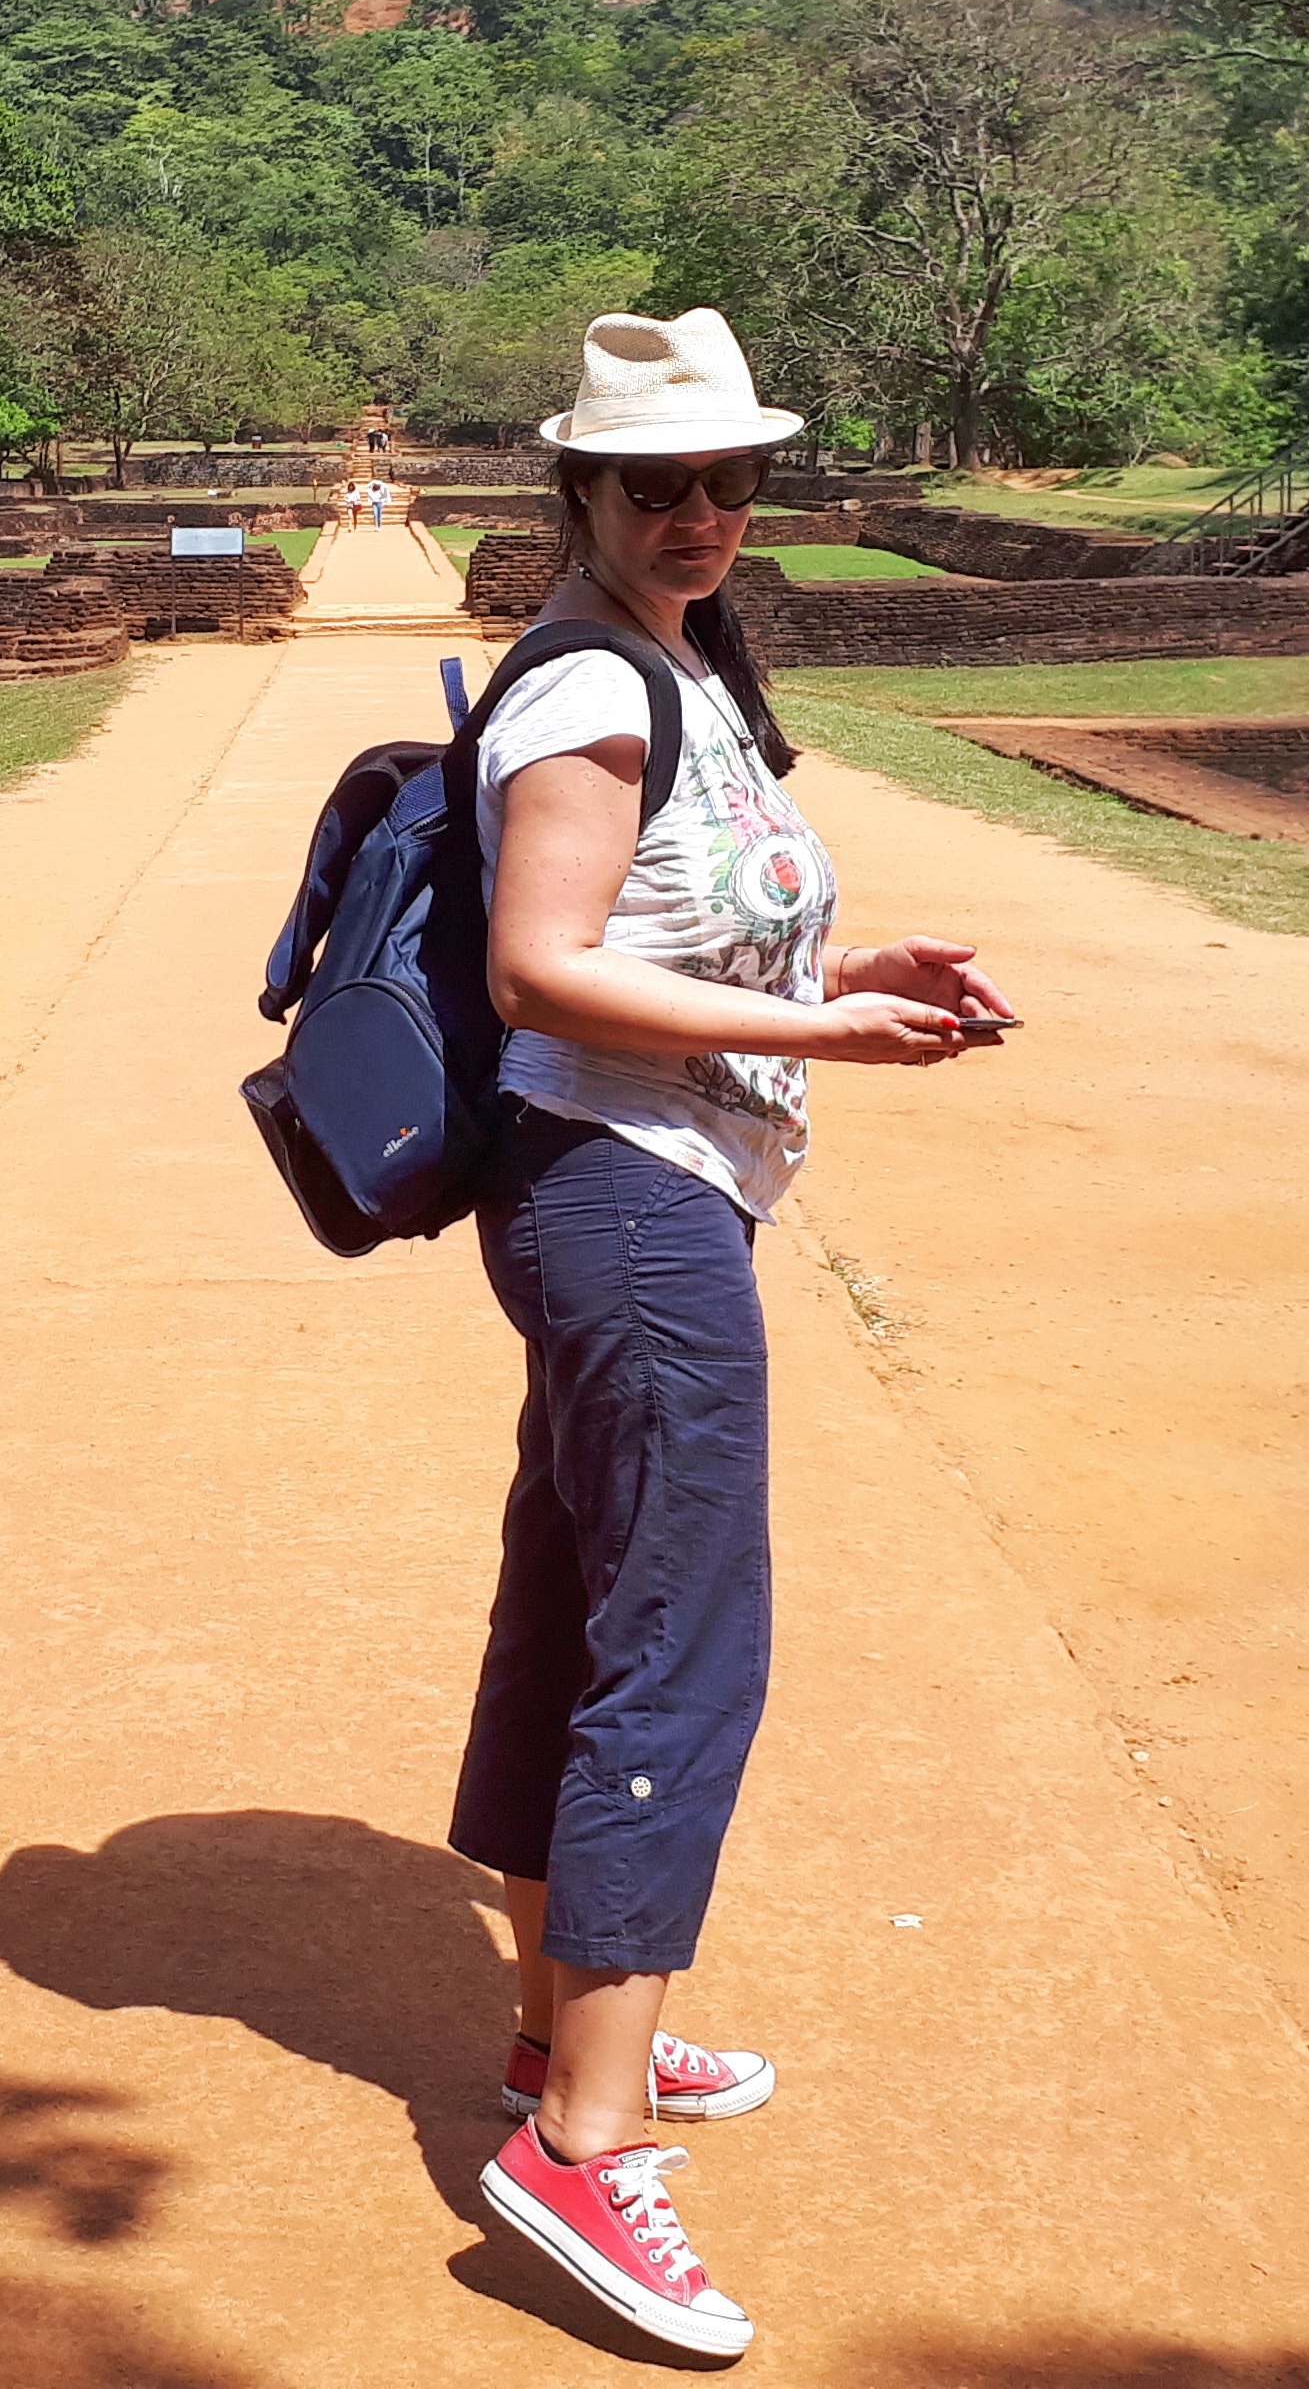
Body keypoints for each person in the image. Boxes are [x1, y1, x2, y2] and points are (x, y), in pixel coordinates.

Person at [460, 308, 1008, 2361]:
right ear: (581, 495)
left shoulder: (682, 662)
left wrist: (854, 965)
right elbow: (541, 969)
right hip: (629, 1213)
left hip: (641, 1199)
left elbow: (669, 930)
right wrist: (821, 1030)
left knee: (578, 1612)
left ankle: (551, 2042)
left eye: (728, 482)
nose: (701, 515)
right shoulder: (595, 688)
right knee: (682, 1652)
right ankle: (585, 2152)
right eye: (656, 485)